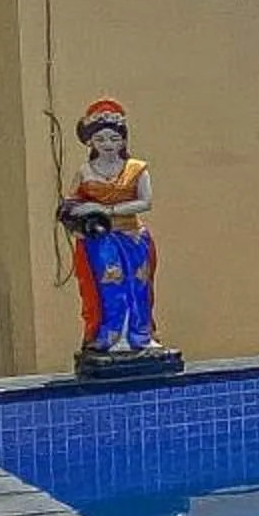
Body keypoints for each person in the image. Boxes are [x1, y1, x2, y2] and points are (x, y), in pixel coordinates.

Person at [58, 98, 159, 356]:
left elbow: (145, 202)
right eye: (101, 140)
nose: (108, 145)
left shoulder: (137, 169)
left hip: (132, 236)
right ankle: (111, 333)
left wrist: (108, 210)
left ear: (123, 141)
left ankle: (140, 334)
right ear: (91, 142)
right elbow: (70, 203)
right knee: (109, 284)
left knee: (138, 285)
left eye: (114, 139)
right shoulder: (85, 172)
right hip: (101, 240)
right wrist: (81, 213)